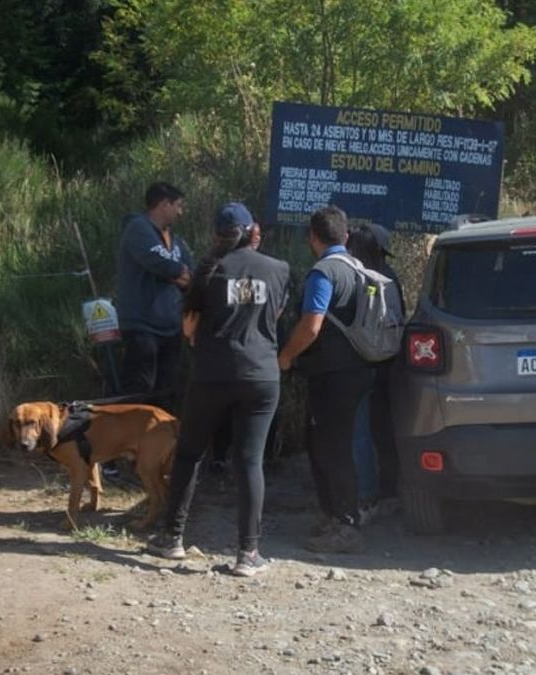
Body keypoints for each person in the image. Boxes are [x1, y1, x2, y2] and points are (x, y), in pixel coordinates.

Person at [148, 203, 290, 576]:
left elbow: (190, 331)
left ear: (218, 235)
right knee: (249, 461)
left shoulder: (207, 271)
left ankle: (172, 538)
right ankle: (248, 554)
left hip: (212, 374)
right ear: (252, 231)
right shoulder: (279, 270)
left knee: (190, 453)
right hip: (261, 376)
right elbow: (273, 319)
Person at [278, 205, 375, 554]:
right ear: (345, 236)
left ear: (312, 238)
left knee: (331, 449)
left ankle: (344, 524)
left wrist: (286, 356)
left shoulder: (324, 272)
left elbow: (312, 324)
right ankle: (337, 516)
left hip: (332, 375)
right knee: (333, 444)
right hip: (360, 369)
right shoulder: (358, 268)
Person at [115, 181, 192, 413]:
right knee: (139, 388)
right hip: (142, 326)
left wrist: (179, 274)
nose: (180, 211)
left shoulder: (177, 241)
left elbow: (192, 274)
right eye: (177, 205)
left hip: (171, 328)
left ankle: (159, 446)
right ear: (163, 204)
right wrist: (177, 273)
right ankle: (127, 443)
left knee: (166, 390)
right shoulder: (138, 229)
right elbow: (162, 265)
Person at [344, 223, 404, 520]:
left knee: (362, 431)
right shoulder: (390, 277)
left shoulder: (358, 277)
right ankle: (391, 487)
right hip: (389, 360)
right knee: (384, 427)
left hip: (362, 361)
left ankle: (368, 492)